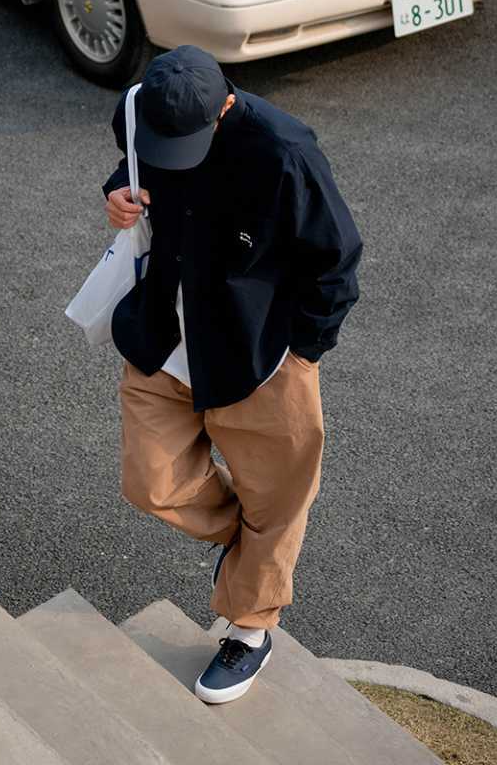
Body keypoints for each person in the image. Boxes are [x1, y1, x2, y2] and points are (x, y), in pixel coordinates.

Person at [101, 44, 363, 704]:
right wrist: (119, 194)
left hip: (260, 354)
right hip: (167, 333)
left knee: (280, 499)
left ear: (223, 105)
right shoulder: (141, 110)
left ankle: (250, 627)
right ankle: (249, 544)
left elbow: (336, 258)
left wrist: (305, 351)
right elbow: (133, 166)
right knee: (150, 481)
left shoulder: (284, 152)